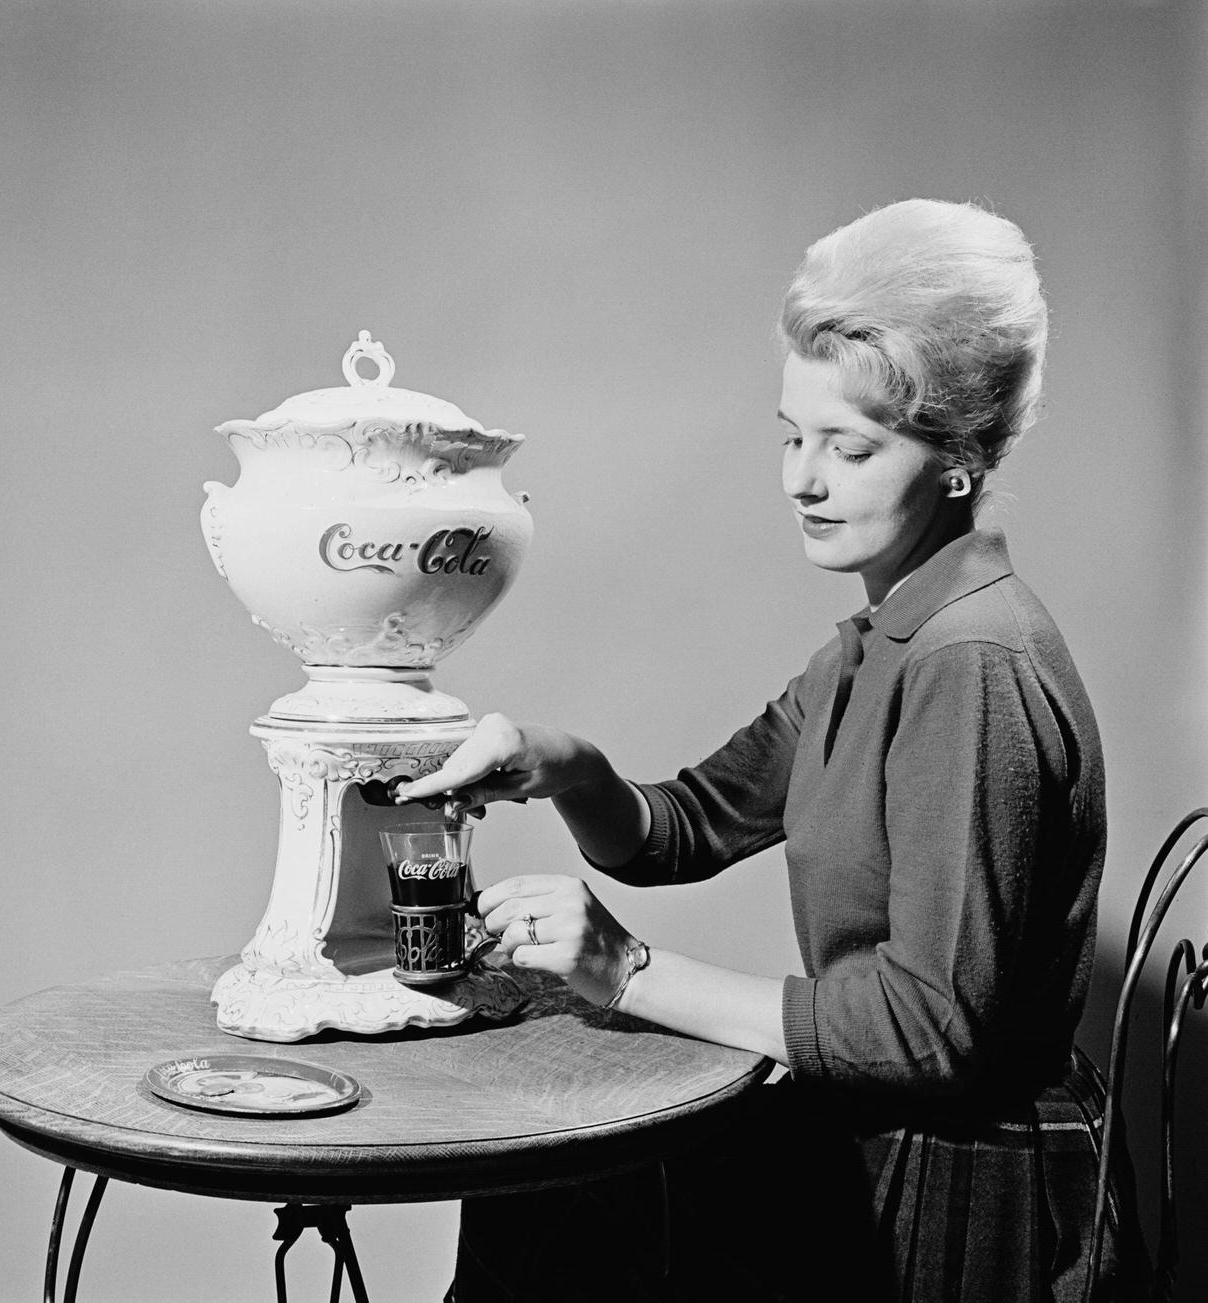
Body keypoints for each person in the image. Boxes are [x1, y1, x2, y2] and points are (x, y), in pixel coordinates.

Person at [396, 199, 1148, 1302]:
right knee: (548, 1138)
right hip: (869, 1136)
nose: (802, 479)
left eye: (850, 447)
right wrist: (566, 764)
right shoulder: (874, 644)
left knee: (565, 1176)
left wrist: (625, 967)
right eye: (792, 436)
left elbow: (927, 1031)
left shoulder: (968, 662)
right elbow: (685, 831)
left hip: (954, 1196)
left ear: (959, 458)